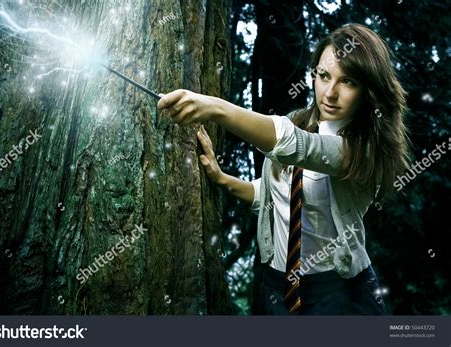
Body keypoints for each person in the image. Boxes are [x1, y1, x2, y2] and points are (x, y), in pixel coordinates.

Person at [157, 23, 410, 315]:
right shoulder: (298, 120)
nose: (330, 93)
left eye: (348, 82)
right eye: (324, 76)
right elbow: (273, 195)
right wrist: (221, 178)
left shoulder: (364, 149)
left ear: (368, 90)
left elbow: (299, 146)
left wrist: (215, 108)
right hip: (278, 288)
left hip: (339, 294)